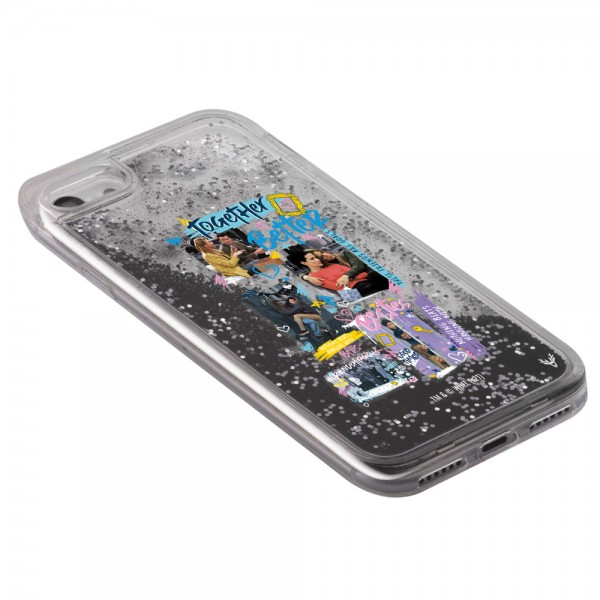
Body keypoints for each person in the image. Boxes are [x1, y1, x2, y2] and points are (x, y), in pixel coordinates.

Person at [299, 251, 385, 298]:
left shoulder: (334, 264)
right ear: (304, 263)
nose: (318, 259)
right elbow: (340, 287)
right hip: (352, 292)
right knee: (373, 281)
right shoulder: (313, 276)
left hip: (365, 281)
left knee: (376, 275)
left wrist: (347, 277)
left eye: (316, 257)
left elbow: (362, 273)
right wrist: (306, 277)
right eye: (313, 259)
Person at [381, 319, 450, 369]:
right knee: (432, 355)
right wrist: (420, 346)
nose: (393, 325)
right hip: (418, 345)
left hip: (426, 340)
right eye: (390, 324)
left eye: (392, 323)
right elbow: (414, 344)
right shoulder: (397, 334)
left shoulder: (402, 325)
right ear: (387, 327)